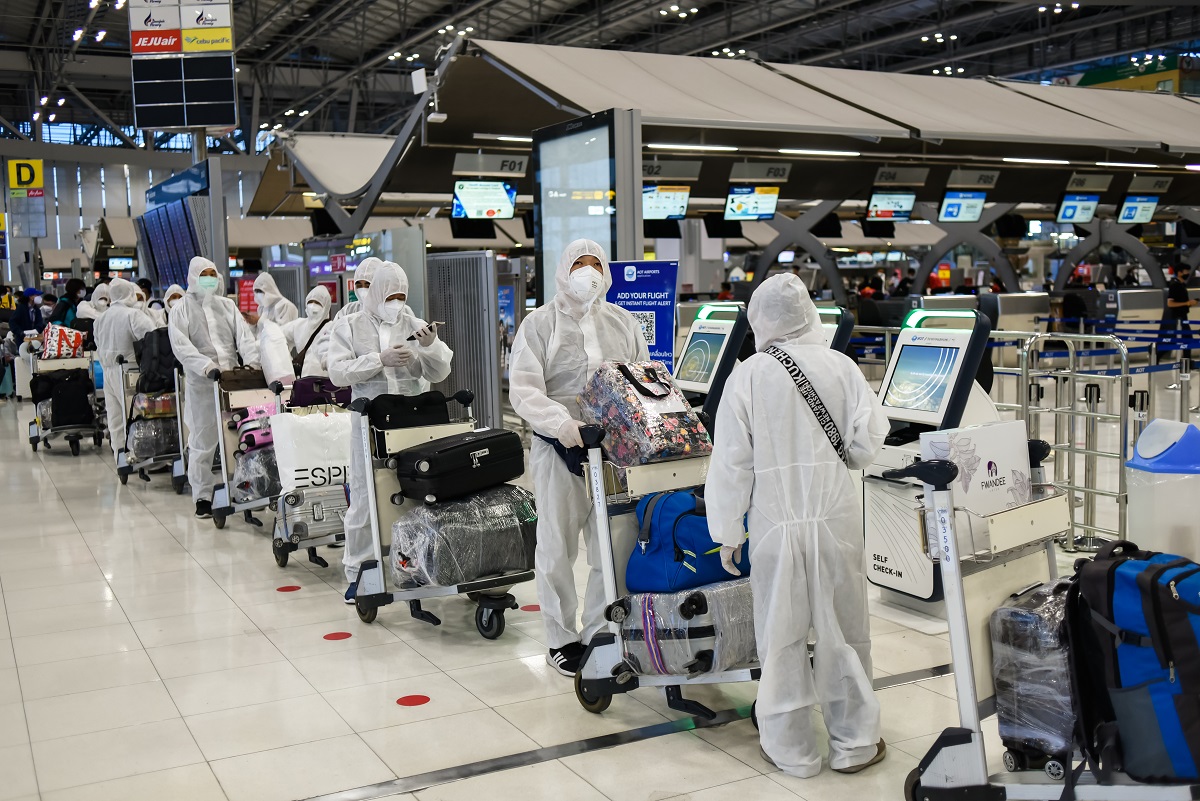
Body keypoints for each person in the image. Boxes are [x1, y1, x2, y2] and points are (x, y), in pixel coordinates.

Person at [704, 273, 889, 778]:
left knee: (780, 634)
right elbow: (866, 446)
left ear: (758, 319)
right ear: (808, 312)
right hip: (836, 518)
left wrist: (726, 532)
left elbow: (730, 465)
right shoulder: (842, 367)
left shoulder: (747, 376)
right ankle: (854, 742)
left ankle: (792, 750)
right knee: (846, 630)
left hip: (773, 523)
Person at [508, 239, 649, 676]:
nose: (587, 272)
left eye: (594, 264)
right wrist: (564, 425)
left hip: (615, 451)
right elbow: (525, 390)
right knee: (557, 545)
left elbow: (641, 375)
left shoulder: (623, 321)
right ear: (563, 271)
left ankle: (597, 629)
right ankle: (560, 637)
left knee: (614, 542)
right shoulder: (539, 324)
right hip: (560, 449)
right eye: (579, 264)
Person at [327, 261, 451, 600]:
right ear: (377, 292)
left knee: (416, 494)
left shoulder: (414, 324)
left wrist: (431, 346)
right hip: (369, 423)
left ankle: (413, 566)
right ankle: (358, 572)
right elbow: (337, 373)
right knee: (366, 498)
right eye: (390, 295)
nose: (395, 302)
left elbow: (439, 373)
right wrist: (378, 360)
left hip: (413, 422)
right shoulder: (348, 326)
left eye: (401, 295)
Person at [168, 257, 260, 519]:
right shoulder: (181, 309)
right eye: (204, 274)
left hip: (233, 382)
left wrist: (252, 365)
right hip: (202, 384)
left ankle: (243, 488)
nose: (210, 278)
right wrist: (206, 366)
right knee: (203, 440)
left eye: (213, 273)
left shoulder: (227, 305)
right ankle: (203, 497)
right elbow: (181, 345)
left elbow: (245, 337)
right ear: (193, 277)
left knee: (239, 436)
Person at [94, 278, 158, 457]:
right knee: (134, 416)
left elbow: (98, 344)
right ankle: (139, 455)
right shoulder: (133, 315)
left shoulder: (100, 319)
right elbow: (152, 339)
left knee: (115, 419)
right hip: (129, 372)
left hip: (108, 371)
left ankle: (120, 458)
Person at [283, 285, 333, 377]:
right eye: (310, 302)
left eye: (318, 303)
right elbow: (278, 337)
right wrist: (286, 362)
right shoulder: (298, 325)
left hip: (325, 383)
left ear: (326, 306)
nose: (313, 306)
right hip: (302, 382)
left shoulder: (333, 328)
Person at [1167, 262, 1197, 361]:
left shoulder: (1181, 285)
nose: (1188, 273)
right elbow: (1170, 303)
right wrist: (1187, 303)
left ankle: (1187, 362)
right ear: (1180, 272)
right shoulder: (1175, 285)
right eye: (1186, 271)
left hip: (1183, 316)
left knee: (1187, 340)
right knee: (1184, 339)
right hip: (1178, 318)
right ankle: (1157, 354)